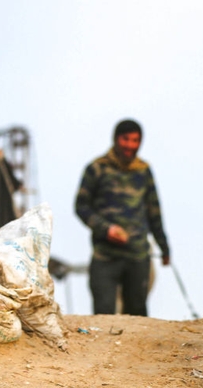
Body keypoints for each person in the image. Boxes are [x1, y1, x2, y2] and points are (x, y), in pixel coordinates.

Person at [75, 119, 170, 316]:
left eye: (135, 140)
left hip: (137, 255)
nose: (130, 145)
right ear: (116, 139)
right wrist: (105, 229)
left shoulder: (143, 172)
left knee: (137, 316)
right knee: (104, 315)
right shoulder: (97, 169)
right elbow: (81, 206)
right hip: (105, 255)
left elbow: (154, 212)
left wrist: (164, 247)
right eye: (125, 139)